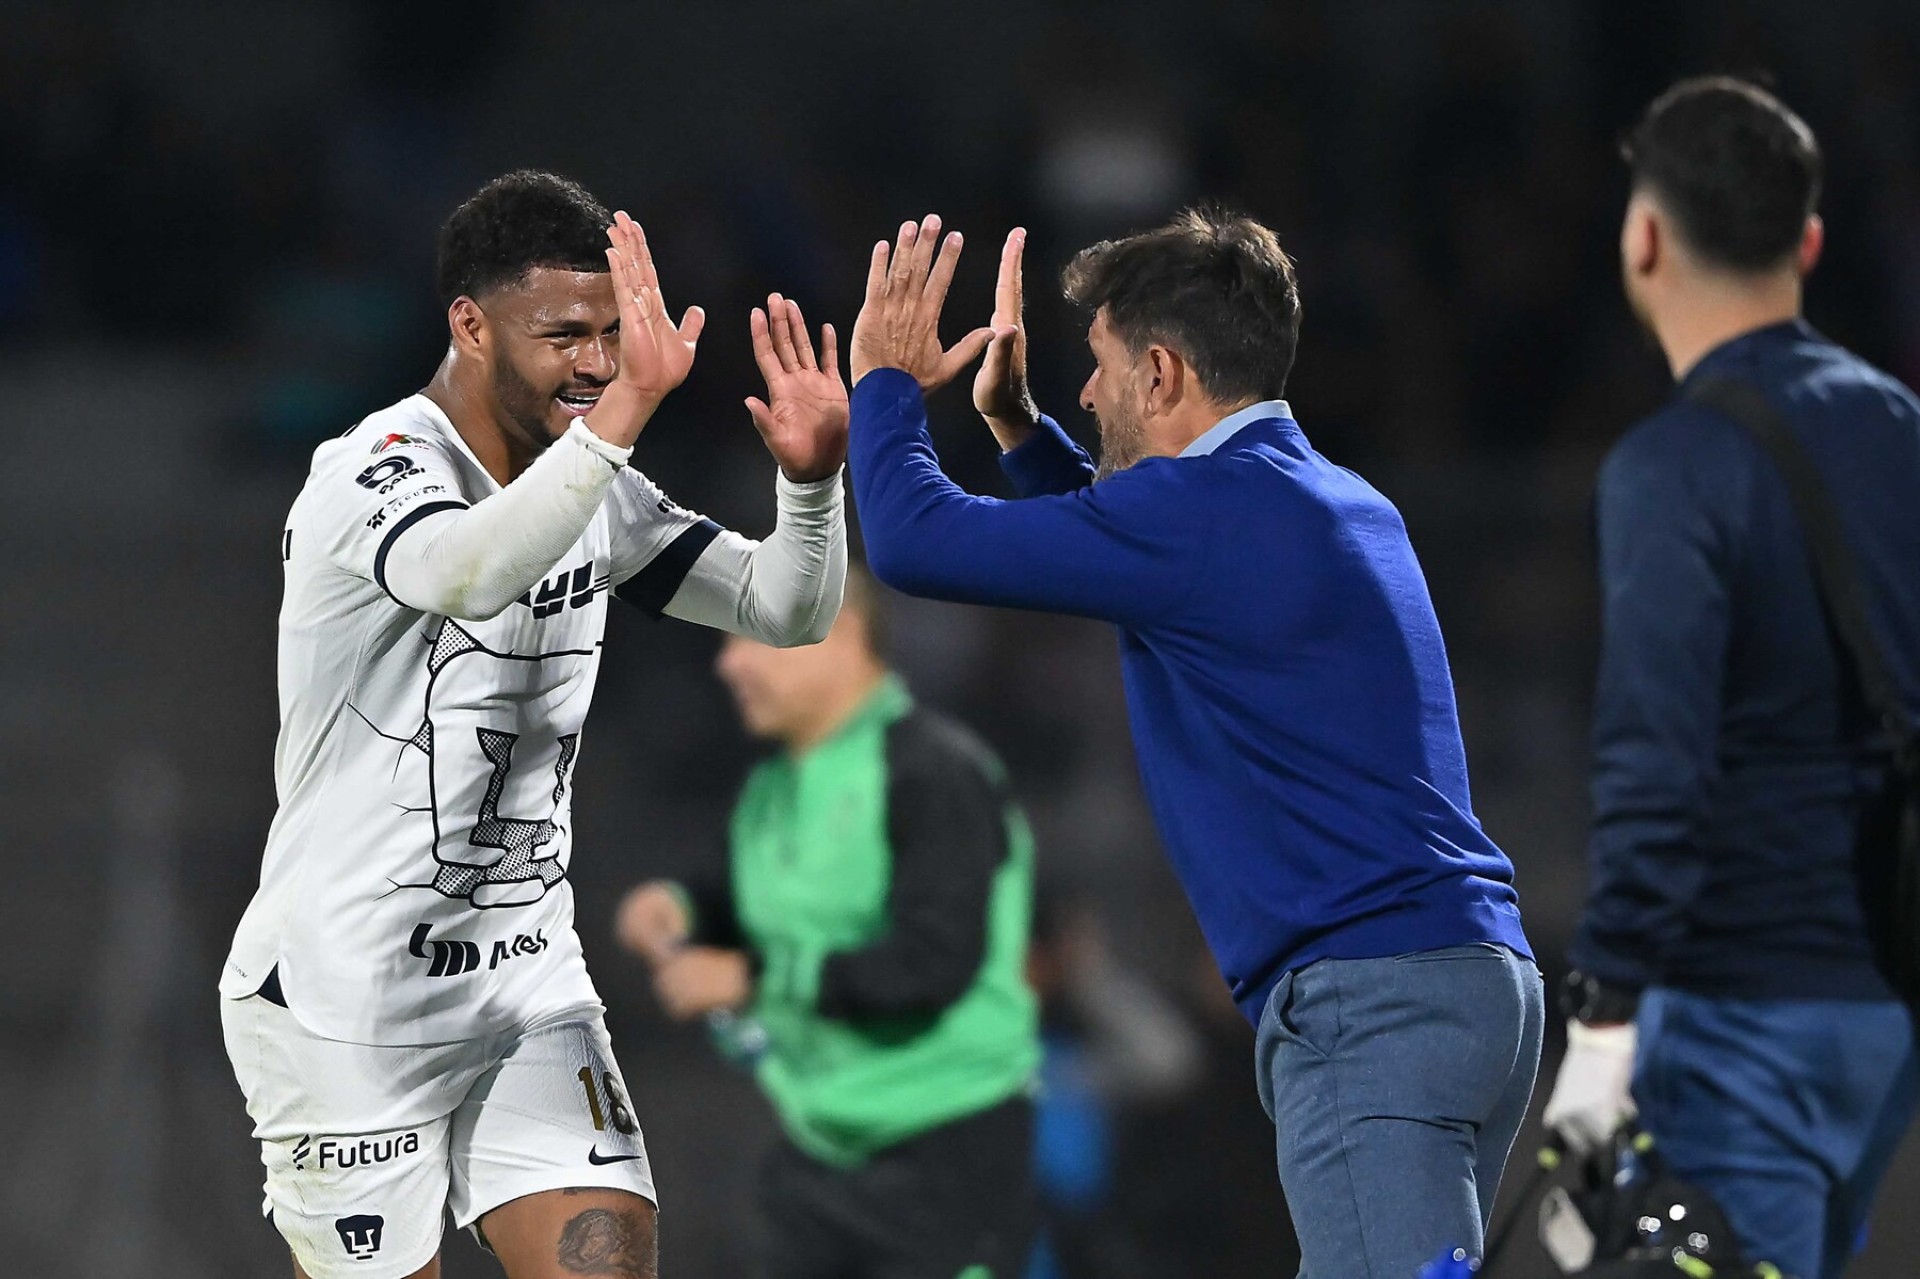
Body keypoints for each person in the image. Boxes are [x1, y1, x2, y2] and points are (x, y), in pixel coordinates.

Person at [839, 210, 1542, 1277]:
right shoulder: (1335, 498)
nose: (1086, 392)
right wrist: (1020, 429)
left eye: (1100, 363)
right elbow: (1137, 553)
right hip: (1471, 983)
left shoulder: (1200, 515)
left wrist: (885, 383)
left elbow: (908, 540)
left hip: (1372, 999)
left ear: (1160, 372)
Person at [219, 169, 850, 1279]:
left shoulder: (592, 484)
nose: (597, 363)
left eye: (610, 333)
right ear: (470, 325)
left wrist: (811, 484)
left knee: (611, 1256)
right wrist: (623, 421)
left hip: (524, 981)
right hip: (346, 1000)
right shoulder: (373, 469)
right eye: (564, 335)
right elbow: (465, 570)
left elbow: (784, 607)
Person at [1543, 77, 1920, 1279]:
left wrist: (1604, 1021)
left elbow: (1655, 760)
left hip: (1742, 1013)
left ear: (1644, 239)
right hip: (1887, 1012)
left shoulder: (1674, 466)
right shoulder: (1902, 428)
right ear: (1806, 242)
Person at [613, 566, 1040, 1279]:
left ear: (839, 631)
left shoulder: (934, 771)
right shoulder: (771, 786)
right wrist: (679, 905)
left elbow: (933, 962)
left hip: (946, 1163)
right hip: (817, 1154)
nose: (730, 664)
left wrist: (753, 979)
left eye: (750, 637)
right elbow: (734, 898)